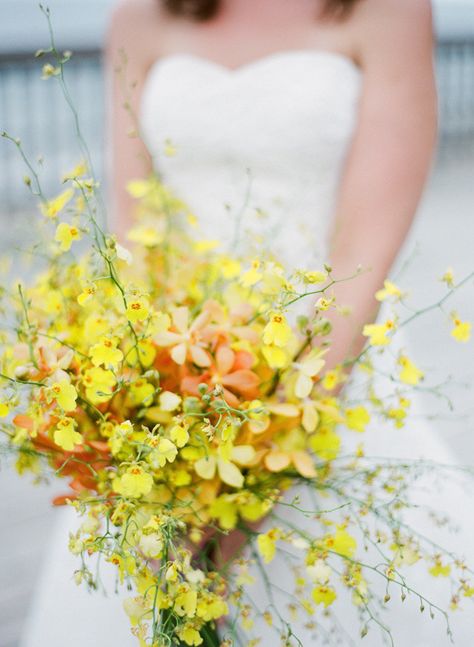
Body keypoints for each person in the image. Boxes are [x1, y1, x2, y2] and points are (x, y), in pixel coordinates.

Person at [20, 0, 474, 645]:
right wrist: (140, 423)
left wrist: (263, 463)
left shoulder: (388, 11)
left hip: (325, 362)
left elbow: (361, 260)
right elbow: (136, 242)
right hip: (175, 372)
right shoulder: (140, 18)